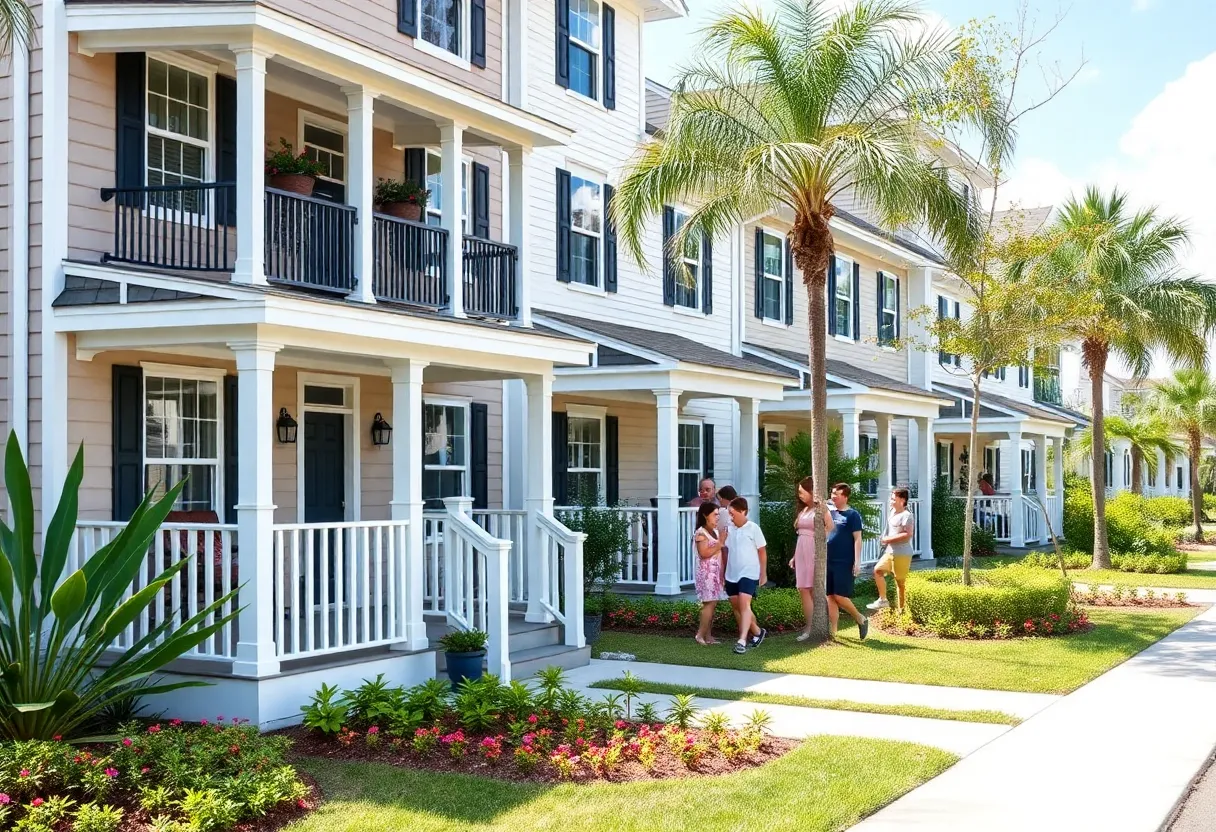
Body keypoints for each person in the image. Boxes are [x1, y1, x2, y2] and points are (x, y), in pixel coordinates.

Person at [790, 476, 834, 642]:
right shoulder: (804, 510)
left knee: (810, 589)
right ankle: (809, 626)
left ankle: (812, 627)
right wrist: (795, 557)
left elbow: (830, 527)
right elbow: (800, 534)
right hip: (801, 549)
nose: (799, 495)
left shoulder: (820, 508)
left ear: (811, 492)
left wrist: (821, 545)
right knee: (803, 589)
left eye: (802, 492)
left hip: (812, 550)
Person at [825, 483, 869, 640]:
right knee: (829, 596)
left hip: (844, 561)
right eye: (832, 493)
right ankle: (834, 632)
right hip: (828, 560)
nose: (833, 496)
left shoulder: (852, 515)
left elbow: (858, 539)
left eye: (837, 493)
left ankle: (860, 618)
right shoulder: (830, 513)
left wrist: (857, 562)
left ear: (845, 496)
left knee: (839, 596)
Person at [724, 497, 767, 654]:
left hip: (749, 572)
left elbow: (762, 551)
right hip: (731, 573)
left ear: (743, 511)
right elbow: (725, 550)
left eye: (732, 513)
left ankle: (742, 640)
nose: (730, 516)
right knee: (736, 605)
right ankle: (757, 632)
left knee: (744, 604)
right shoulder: (729, 529)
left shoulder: (753, 528)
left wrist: (763, 573)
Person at [869, 487, 915, 613]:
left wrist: (888, 539)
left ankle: (903, 611)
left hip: (902, 554)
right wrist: (884, 539)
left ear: (902, 500)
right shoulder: (892, 513)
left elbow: (908, 534)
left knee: (900, 583)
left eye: (893, 498)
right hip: (890, 552)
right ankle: (883, 600)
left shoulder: (907, 516)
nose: (891, 500)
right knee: (877, 570)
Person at [692, 501, 727, 645]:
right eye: (715, 514)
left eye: (718, 514)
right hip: (706, 574)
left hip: (716, 573)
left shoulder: (716, 532)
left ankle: (708, 636)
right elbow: (704, 553)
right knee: (709, 604)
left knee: (713, 604)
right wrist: (720, 543)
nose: (717, 517)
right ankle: (700, 635)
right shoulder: (701, 533)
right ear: (706, 515)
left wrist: (723, 573)